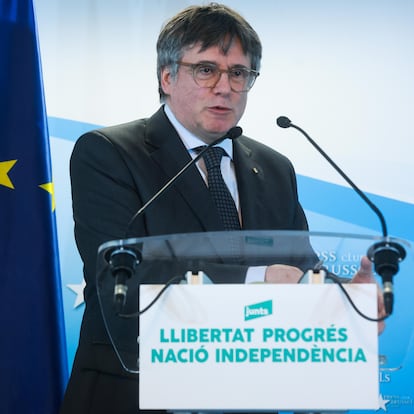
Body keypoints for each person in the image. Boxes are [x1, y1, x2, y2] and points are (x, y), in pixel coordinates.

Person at [60, 3, 384, 413]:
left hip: (246, 393)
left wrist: (345, 299)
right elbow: (122, 273)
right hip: (134, 392)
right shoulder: (108, 153)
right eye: (206, 69)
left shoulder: (274, 167)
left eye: (239, 73)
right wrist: (256, 277)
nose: (225, 86)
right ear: (167, 75)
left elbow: (298, 268)